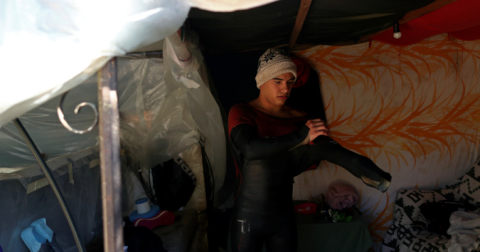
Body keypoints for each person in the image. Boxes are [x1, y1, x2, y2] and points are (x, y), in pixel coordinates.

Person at [228, 48, 392, 252]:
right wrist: (301, 137)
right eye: (277, 81)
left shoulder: (299, 118)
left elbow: (329, 150)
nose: (285, 89)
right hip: (247, 218)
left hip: (283, 218)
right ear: (261, 81)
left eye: (290, 82)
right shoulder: (242, 111)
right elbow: (250, 149)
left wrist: (369, 172)